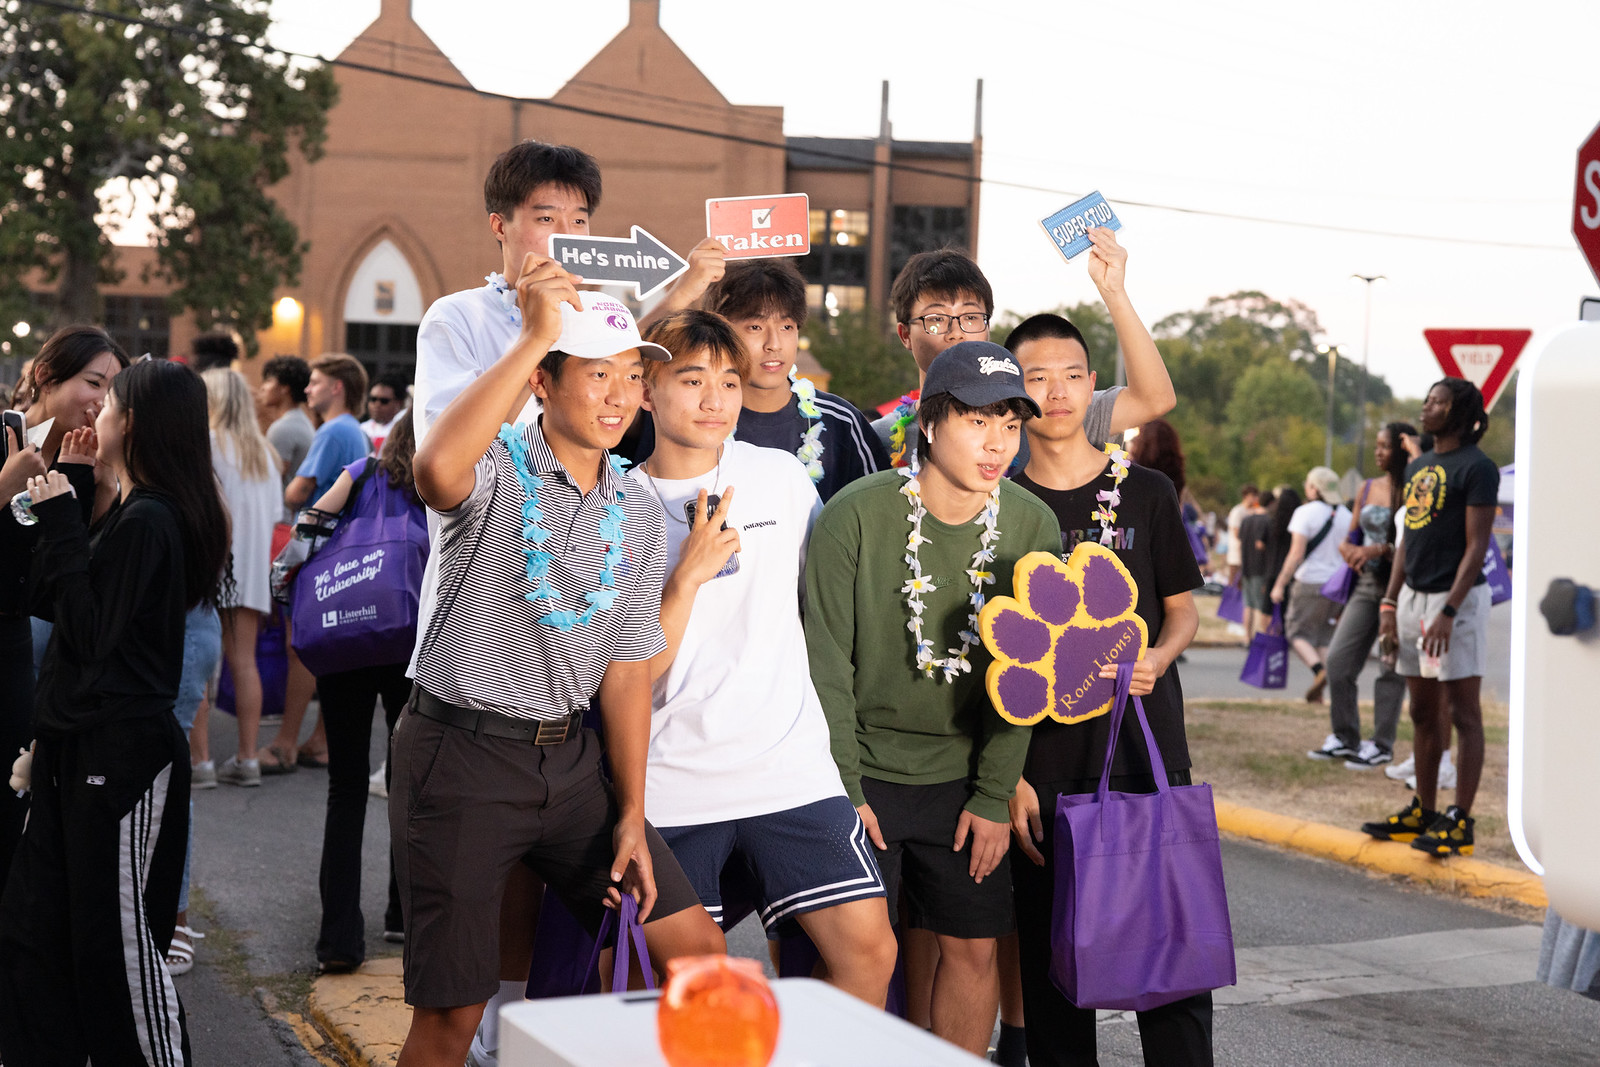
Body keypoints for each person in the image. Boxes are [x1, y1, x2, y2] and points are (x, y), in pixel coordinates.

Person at [392, 260, 723, 1067]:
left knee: (700, 957)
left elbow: (623, 670)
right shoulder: (498, 467)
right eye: (596, 374)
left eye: (632, 377)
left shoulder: (638, 509)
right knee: (454, 1014)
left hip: (572, 766)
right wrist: (537, 329)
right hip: (462, 756)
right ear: (543, 381)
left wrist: (632, 813)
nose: (618, 395)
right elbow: (433, 472)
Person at [633, 310, 897, 1005]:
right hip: (671, 778)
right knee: (697, 984)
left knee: (870, 951)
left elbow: (829, 611)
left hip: (789, 767)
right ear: (645, 390)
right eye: (692, 379)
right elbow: (627, 680)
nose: (716, 398)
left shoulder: (780, 476)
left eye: (728, 379)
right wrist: (685, 577)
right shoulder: (617, 506)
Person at [805, 340, 1061, 1056]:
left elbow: (1026, 675)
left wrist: (991, 793)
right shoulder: (856, 514)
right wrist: (844, 786)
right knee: (856, 959)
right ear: (930, 420)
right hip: (862, 777)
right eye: (978, 420)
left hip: (963, 779)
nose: (997, 442)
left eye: (1011, 424)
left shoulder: (1033, 524)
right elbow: (827, 661)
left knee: (975, 951)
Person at [0, 358, 229, 1067]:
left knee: (116, 947)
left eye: (108, 403)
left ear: (132, 422)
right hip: (73, 750)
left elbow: (93, 633)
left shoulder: (154, 519)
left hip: (120, 757)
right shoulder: (128, 509)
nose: (93, 415)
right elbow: (51, 597)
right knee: (37, 931)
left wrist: (67, 514)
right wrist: (64, 492)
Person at [1005, 312, 1212, 1067]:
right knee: (1057, 974)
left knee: (1172, 975)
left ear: (1093, 385)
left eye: (1069, 375)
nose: (1054, 392)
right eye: (1034, 377)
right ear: (1016, 394)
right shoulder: (1001, 505)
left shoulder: (1147, 492)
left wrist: (1161, 650)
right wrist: (1011, 778)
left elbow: (1184, 611)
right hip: (1044, 776)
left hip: (1145, 757)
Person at [0, 326, 129, 892]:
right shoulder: (6, 435)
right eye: (92, 382)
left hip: (18, 648)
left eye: (113, 390)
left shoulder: (84, 456)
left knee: (14, 798)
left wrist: (102, 491)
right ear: (47, 378)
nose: (101, 399)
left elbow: (79, 571)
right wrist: (4, 485)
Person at [871, 231, 1176, 467]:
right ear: (904, 334)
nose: (956, 333)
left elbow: (1153, 398)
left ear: (987, 327)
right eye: (936, 319)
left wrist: (1113, 291)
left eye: (971, 317)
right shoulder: (879, 438)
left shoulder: (1035, 411)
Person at [308, 410, 427, 972]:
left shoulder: (357, 473)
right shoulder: (443, 479)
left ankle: (338, 940)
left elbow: (308, 531)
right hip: (413, 647)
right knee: (409, 786)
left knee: (346, 788)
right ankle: (402, 916)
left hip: (347, 641)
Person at [1365, 379, 1498, 857]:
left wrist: (1449, 609)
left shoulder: (1478, 468)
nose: (1426, 407)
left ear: (1460, 412)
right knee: (1422, 711)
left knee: (1464, 713)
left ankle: (1460, 819)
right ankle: (1424, 809)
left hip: (1454, 602)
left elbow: (1478, 546)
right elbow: (1406, 541)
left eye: (1437, 402)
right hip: (1411, 599)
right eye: (1427, 399)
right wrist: (1388, 601)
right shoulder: (1420, 465)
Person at [263, 353, 371, 774]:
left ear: (336, 387)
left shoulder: (332, 431)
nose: (308, 389)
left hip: (317, 551)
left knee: (301, 649)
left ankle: (286, 742)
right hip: (342, 552)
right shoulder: (355, 432)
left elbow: (296, 493)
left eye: (316, 381)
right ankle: (319, 741)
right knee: (330, 651)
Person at [706, 260, 887, 501]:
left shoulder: (841, 422)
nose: (774, 344)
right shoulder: (701, 420)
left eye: (786, 326)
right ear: (721, 330)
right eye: (755, 326)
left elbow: (881, 513)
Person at [198, 369, 283, 788]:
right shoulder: (265, 453)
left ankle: (200, 762)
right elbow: (274, 516)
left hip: (211, 566)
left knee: (197, 665)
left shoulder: (209, 446)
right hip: (252, 570)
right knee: (244, 662)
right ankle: (248, 757)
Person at [1317, 423, 1416, 770]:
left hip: (1401, 589)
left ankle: (1382, 744)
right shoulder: (1367, 487)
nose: (1378, 452)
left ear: (1402, 451)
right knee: (1338, 661)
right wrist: (1350, 550)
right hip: (1366, 585)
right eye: (1376, 445)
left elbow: (1412, 543)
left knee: (1390, 666)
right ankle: (1345, 737)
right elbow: (1350, 535)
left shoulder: (1414, 488)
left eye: (1385, 446)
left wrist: (1378, 549)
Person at [1270, 468, 1349, 707]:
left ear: (1314, 488)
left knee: (1296, 632)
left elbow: (1296, 554)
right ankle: (1326, 693)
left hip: (1309, 581)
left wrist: (1280, 584)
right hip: (1337, 584)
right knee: (1324, 637)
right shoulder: (1346, 514)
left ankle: (1319, 672)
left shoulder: (1305, 513)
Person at [258, 356, 315, 522]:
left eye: (268, 381)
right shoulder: (300, 421)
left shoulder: (283, 428)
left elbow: (270, 479)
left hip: (281, 521)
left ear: (284, 388)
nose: (263, 387)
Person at [1238, 489, 1274, 641]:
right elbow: (1260, 544)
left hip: (1246, 567)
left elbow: (1240, 542)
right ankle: (1262, 637)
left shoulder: (1246, 520)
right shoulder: (1267, 521)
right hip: (1261, 568)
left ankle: (1247, 637)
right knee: (1261, 606)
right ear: (1271, 503)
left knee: (1248, 605)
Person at [362, 373, 408, 451]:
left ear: (398, 403)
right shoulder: (362, 429)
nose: (377, 404)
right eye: (373, 399)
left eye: (384, 401)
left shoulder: (403, 433)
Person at [1225, 484, 1259, 584]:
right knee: (1234, 579)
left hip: (1248, 552)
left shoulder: (1254, 510)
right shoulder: (1238, 511)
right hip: (1237, 552)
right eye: (1253, 496)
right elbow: (1236, 532)